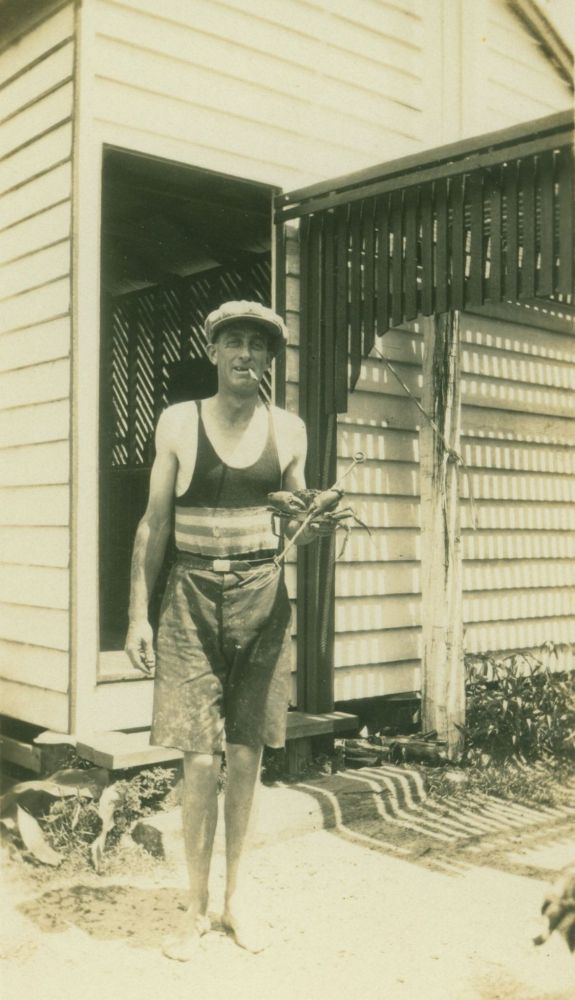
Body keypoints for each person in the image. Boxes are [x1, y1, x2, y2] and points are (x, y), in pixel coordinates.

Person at [124, 300, 315, 961]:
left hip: (262, 596)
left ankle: (237, 899)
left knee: (246, 754)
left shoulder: (289, 430)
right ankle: (195, 906)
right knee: (200, 759)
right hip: (189, 597)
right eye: (233, 341)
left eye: (257, 346)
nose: (244, 354)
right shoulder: (179, 422)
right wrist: (136, 616)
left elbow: (297, 516)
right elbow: (153, 524)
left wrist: (312, 520)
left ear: (269, 360)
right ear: (212, 351)